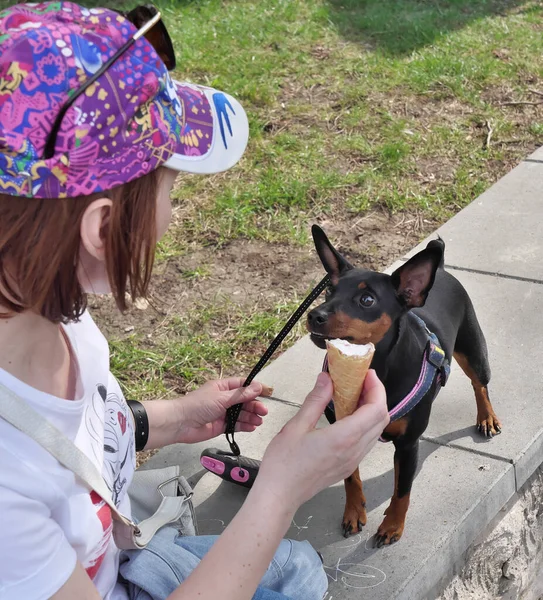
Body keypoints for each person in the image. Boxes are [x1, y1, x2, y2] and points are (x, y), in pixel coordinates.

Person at [0, 3, 390, 600]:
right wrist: (283, 488)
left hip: (110, 562)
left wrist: (173, 419)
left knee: (299, 571)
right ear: (102, 230)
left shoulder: (54, 316)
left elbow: (74, 437)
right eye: (170, 189)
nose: (172, 215)